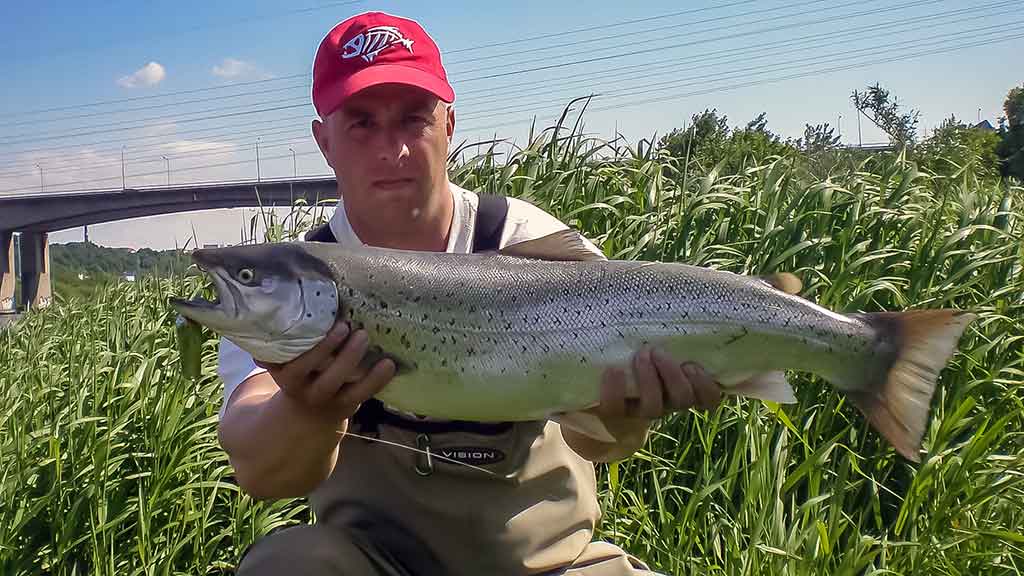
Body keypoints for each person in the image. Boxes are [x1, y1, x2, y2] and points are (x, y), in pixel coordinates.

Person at [216, 11, 722, 576]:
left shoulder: (527, 241)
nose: (393, 149)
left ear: (450, 125)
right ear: (323, 139)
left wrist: (628, 416)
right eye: (362, 123)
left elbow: (599, 444)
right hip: (376, 565)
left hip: (554, 564)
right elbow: (261, 472)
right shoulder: (287, 285)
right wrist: (307, 408)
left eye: (413, 120)